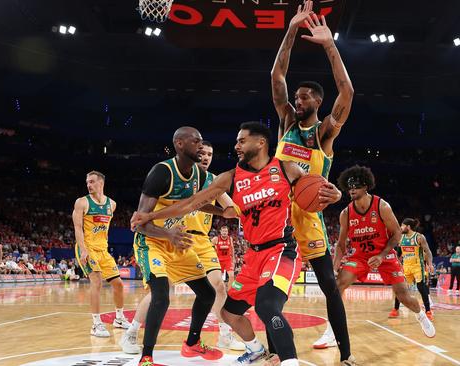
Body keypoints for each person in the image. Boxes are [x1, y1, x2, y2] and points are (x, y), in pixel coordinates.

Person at [131, 122, 344, 366]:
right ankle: (256, 350)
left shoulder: (286, 168)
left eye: (242, 141)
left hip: (281, 249)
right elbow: (192, 203)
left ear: (260, 143)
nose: (236, 146)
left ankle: (289, 361)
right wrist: (151, 216)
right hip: (253, 256)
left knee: (266, 306)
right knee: (228, 312)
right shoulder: (229, 178)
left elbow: (318, 189)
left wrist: (334, 194)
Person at [271, 2, 354, 359]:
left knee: (330, 288)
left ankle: (346, 352)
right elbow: (277, 77)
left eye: (303, 96)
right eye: (297, 96)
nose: (296, 99)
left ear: (318, 101)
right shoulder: (287, 122)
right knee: (272, 293)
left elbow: (347, 93)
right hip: (277, 217)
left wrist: (330, 46)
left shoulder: (324, 133)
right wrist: (291, 30)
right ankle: (276, 350)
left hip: (310, 218)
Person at [119, 139, 244, 355]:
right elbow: (182, 206)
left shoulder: (211, 180)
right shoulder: (171, 175)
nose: (205, 157)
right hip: (169, 237)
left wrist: (230, 210)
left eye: (209, 154)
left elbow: (227, 206)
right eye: (202, 152)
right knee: (159, 292)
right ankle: (132, 332)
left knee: (216, 287)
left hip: (197, 241)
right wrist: (150, 218)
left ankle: (222, 333)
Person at [332, 165, 435, 339]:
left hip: (384, 254)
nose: (352, 190)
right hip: (360, 256)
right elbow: (341, 245)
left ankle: (420, 314)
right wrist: (335, 267)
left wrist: (381, 255)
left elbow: (396, 234)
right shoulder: (346, 213)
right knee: (337, 287)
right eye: (349, 187)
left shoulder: (382, 206)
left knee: (403, 296)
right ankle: (332, 331)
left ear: (365, 186)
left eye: (355, 186)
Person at [72, 171, 131, 338]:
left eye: (92, 182)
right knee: (96, 280)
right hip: (87, 248)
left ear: (101, 183)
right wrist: (83, 249)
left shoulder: (112, 204)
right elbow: (77, 228)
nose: (89, 185)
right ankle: (96, 324)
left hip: (103, 250)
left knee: (118, 284)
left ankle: (119, 319)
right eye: (87, 182)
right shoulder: (82, 202)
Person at [389, 218, 434, 320]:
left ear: (408, 227)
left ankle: (428, 311)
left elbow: (428, 251)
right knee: (400, 288)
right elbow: (398, 253)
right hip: (406, 266)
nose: (401, 227)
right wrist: (396, 263)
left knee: (421, 288)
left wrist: (430, 264)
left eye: (402, 225)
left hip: (418, 266)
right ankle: (395, 310)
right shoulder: (401, 238)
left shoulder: (419, 237)